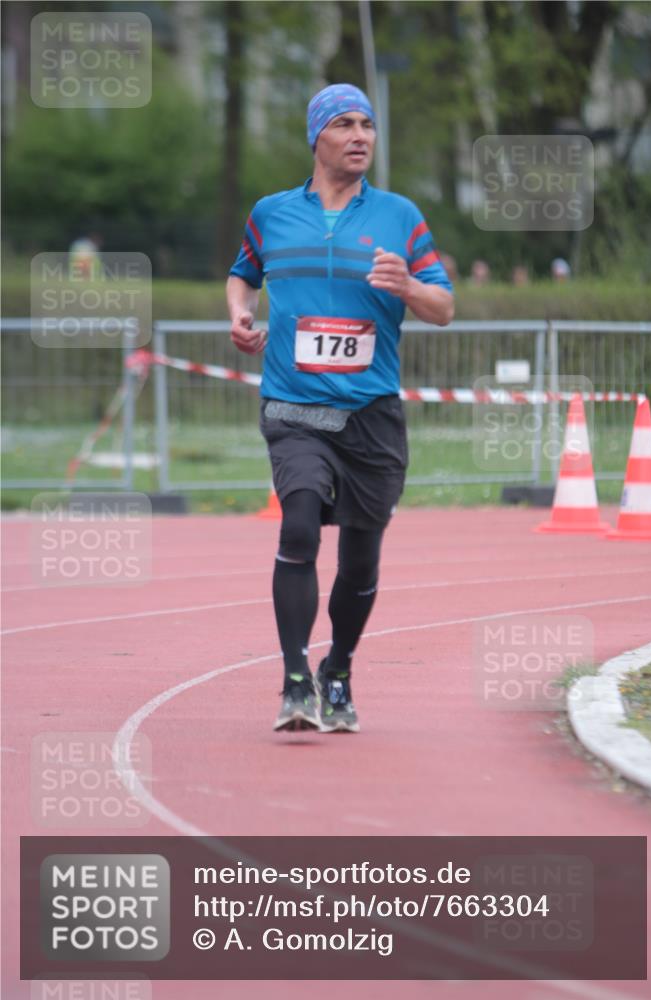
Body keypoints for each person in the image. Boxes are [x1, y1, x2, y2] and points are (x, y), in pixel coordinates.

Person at [226, 83, 454, 734]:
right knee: (297, 524)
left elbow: (443, 307)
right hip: (294, 404)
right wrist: (239, 313)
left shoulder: (398, 215)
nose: (360, 136)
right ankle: (295, 678)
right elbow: (242, 272)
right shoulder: (271, 213)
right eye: (344, 124)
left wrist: (408, 284)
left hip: (370, 413)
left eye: (368, 125)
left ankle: (338, 670)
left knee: (359, 561)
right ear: (316, 137)